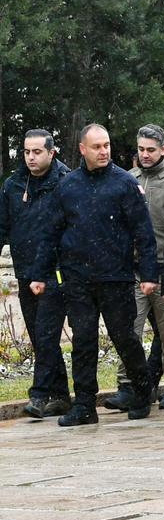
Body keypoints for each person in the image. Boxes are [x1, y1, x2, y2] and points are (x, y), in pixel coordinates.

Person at [28, 124, 160, 426]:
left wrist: (149, 274)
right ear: (83, 149)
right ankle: (85, 405)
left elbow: (144, 233)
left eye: (107, 145)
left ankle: (141, 393)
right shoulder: (68, 186)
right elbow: (51, 233)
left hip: (116, 277)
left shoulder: (124, 183)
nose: (103, 151)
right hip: (77, 279)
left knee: (125, 338)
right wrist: (39, 274)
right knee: (83, 343)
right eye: (97, 146)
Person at [115, 125, 164, 410]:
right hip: (133, 269)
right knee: (129, 329)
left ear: (163, 150)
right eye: (141, 149)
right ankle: (128, 385)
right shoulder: (128, 179)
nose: (145, 155)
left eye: (150, 150)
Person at [1, 130, 71, 419]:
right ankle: (61, 395)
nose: (31, 157)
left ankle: (40, 395)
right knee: (39, 335)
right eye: (27, 152)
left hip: (56, 272)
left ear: (51, 152)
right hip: (25, 269)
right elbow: (4, 227)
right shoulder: (14, 184)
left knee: (45, 333)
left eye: (37, 152)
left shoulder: (66, 182)